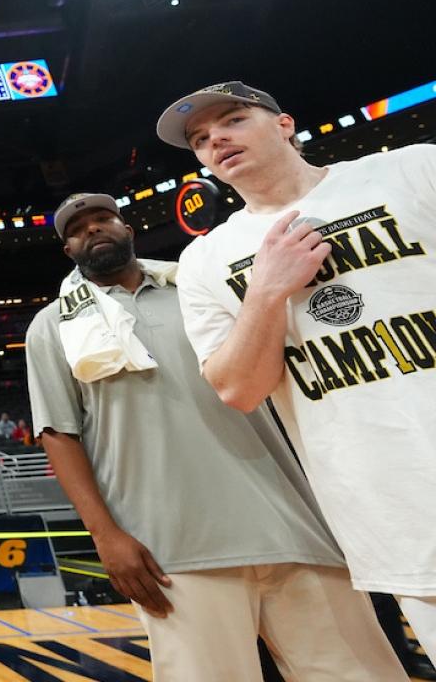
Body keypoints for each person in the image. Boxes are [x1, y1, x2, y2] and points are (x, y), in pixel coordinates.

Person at [26, 191, 406, 680]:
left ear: (128, 229)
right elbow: (58, 434)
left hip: (291, 522)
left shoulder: (201, 289)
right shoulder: (51, 326)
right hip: (170, 547)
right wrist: (106, 536)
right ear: (68, 251)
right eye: (78, 230)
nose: (93, 229)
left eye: (103, 219)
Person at [160, 81, 436, 658]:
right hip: (392, 506)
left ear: (284, 124)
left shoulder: (412, 170)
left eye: (233, 120)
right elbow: (238, 389)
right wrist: (265, 291)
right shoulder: (205, 260)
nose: (216, 140)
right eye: (201, 139)